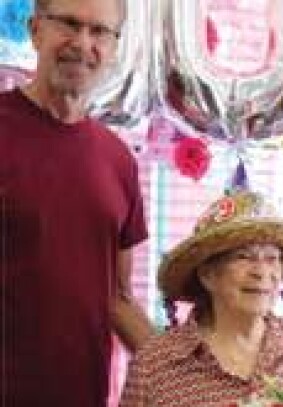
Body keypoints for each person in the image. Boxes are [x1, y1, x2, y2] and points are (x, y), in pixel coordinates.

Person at [0, 0, 155, 405]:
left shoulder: (118, 161)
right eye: (68, 24)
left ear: (115, 47)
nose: (82, 43)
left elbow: (117, 299)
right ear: (35, 30)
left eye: (99, 31)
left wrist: (189, 373)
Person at [120, 191, 283, 406]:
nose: (261, 272)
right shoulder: (155, 364)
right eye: (244, 257)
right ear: (207, 275)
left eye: (272, 258)